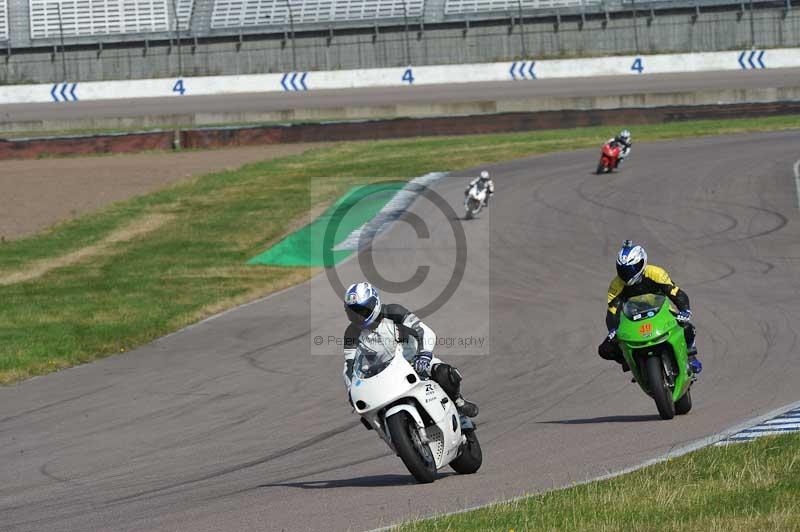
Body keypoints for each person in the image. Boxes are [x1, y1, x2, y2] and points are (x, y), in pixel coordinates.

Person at [342, 281, 479, 418]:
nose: (358, 316)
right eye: (353, 312)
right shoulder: (351, 333)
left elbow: (423, 330)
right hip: (383, 376)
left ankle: (458, 401)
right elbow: (350, 365)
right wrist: (351, 390)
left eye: (362, 311)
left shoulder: (393, 312)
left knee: (445, 373)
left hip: (415, 362)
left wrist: (424, 354)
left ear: (374, 304)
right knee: (370, 411)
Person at [598, 240, 702, 375]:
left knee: (688, 328)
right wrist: (613, 329)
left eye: (631, 269)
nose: (627, 274)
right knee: (605, 349)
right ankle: (629, 361)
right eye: (622, 270)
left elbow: (675, 293)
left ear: (642, 263)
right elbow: (612, 311)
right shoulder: (616, 285)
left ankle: (691, 356)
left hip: (661, 313)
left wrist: (684, 310)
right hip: (632, 320)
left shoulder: (655, 273)